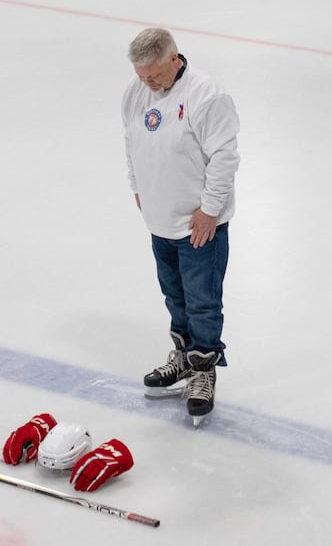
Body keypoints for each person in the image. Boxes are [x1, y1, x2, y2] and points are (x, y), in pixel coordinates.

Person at [122, 28, 240, 423]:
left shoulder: (207, 95)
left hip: (197, 227)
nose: (148, 84)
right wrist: (138, 187)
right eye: (141, 76)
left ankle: (203, 369)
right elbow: (132, 142)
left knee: (202, 302)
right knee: (174, 296)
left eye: (154, 75)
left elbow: (224, 156)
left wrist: (209, 210)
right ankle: (184, 357)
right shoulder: (136, 92)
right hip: (159, 222)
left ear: (175, 59)